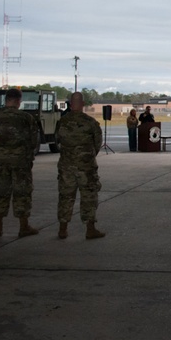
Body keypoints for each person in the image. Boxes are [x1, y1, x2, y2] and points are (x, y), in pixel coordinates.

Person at [0, 87, 40, 238]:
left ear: (6, 99)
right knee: (22, 192)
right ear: (18, 100)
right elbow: (33, 141)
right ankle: (23, 226)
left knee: (0, 192)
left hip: (1, 161)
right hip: (20, 162)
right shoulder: (26, 118)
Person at [56, 92, 106, 240]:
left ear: (70, 104)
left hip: (66, 166)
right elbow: (97, 144)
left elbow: (57, 140)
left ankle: (62, 229)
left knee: (65, 197)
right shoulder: (90, 122)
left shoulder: (62, 122)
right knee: (89, 196)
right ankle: (90, 229)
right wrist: (87, 156)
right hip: (86, 167)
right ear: (83, 104)